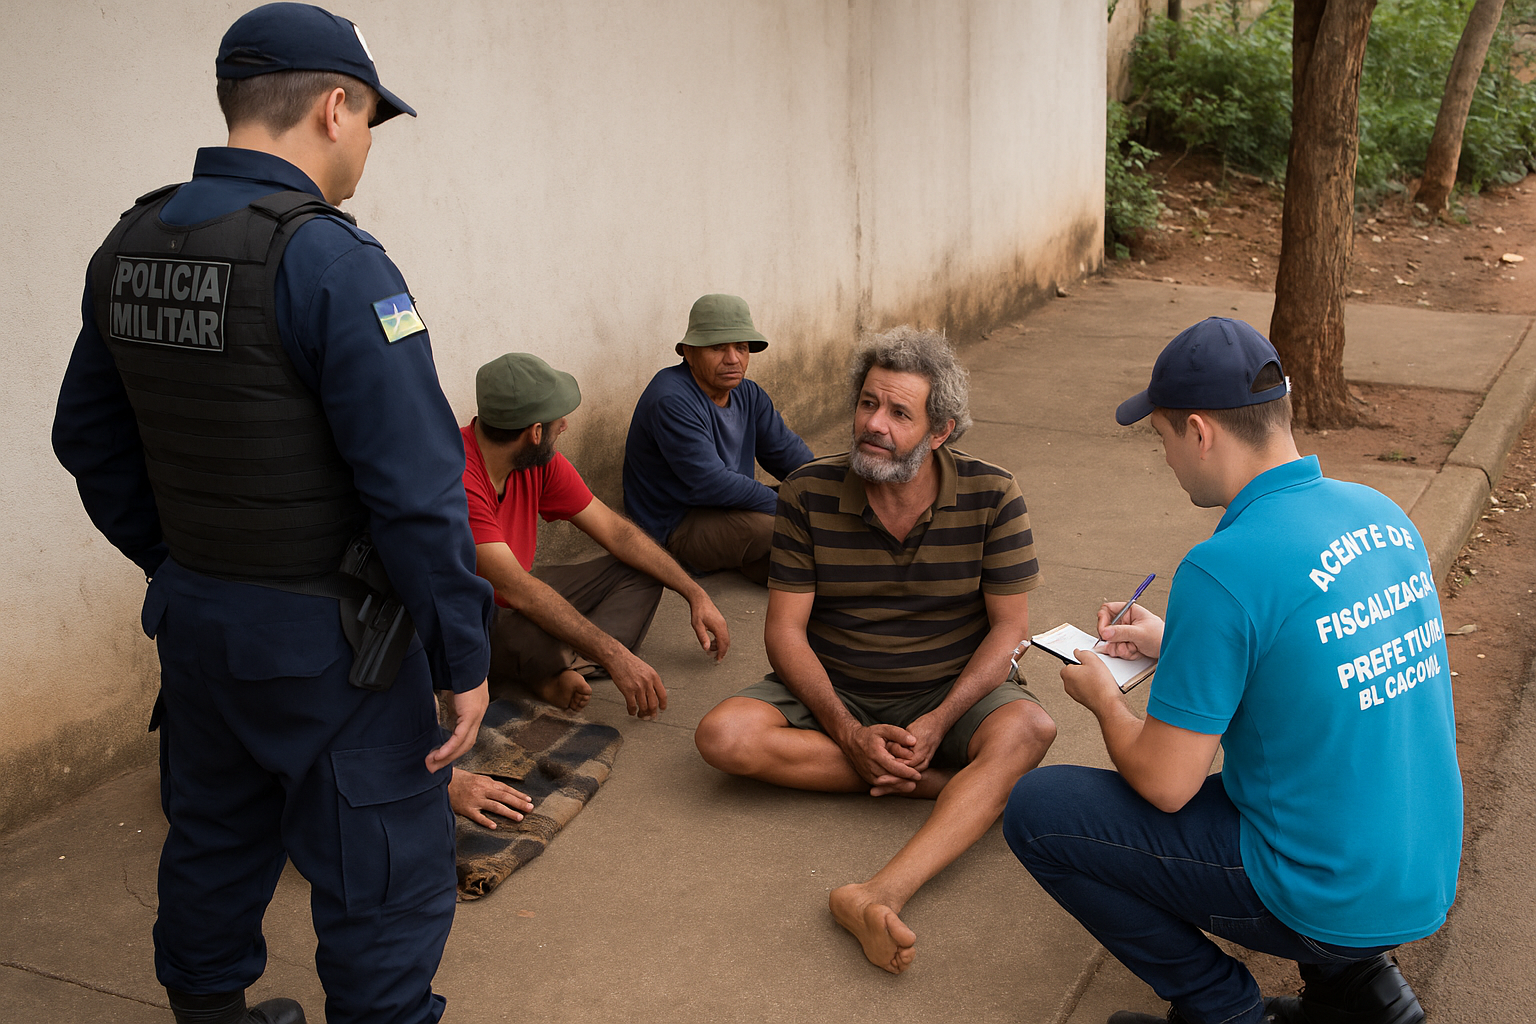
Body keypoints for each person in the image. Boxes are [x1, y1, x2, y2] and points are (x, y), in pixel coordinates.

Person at [51, 5, 496, 1023]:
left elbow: (87, 439)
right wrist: (463, 657)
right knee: (385, 877)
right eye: (373, 123)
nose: (367, 149)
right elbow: (419, 497)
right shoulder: (335, 264)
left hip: (201, 622)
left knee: (214, 836)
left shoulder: (130, 244)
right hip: (334, 647)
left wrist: (187, 558)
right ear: (335, 109)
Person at [1002, 318, 1462, 1024]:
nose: (1167, 459)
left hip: (1326, 891)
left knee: (1039, 812)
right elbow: (1306, 659)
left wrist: (1104, 700)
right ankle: (1359, 990)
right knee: (1313, 756)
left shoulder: (1224, 567)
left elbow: (1164, 782)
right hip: (1420, 866)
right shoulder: (1382, 513)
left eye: (1162, 440)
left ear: (1199, 431)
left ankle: (1224, 1010)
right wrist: (1175, 641)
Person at [693, 326, 1058, 975]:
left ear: (941, 430)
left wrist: (940, 719)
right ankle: (955, 790)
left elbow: (1009, 632)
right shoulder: (807, 491)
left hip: (950, 688)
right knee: (723, 737)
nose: (874, 425)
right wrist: (849, 729)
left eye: (897, 413)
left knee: (1031, 726)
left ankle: (879, 892)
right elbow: (784, 632)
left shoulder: (994, 494)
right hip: (840, 684)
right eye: (867, 404)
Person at [623, 293, 814, 585]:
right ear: (688, 352)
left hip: (730, 507)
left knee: (809, 503)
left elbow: (789, 455)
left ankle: (793, 573)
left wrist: (826, 490)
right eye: (717, 347)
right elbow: (710, 483)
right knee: (780, 527)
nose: (733, 359)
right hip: (677, 524)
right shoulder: (670, 398)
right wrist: (790, 510)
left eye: (741, 347)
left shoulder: (749, 394)